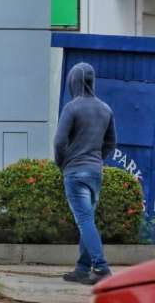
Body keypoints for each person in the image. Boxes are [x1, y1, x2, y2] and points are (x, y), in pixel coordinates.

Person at [54, 62, 116, 285]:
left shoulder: (71, 108)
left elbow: (60, 142)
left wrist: (62, 163)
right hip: (95, 173)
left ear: (74, 81)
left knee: (84, 220)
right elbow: (111, 142)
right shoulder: (105, 109)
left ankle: (101, 268)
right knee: (87, 220)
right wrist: (98, 159)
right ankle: (82, 269)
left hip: (75, 172)